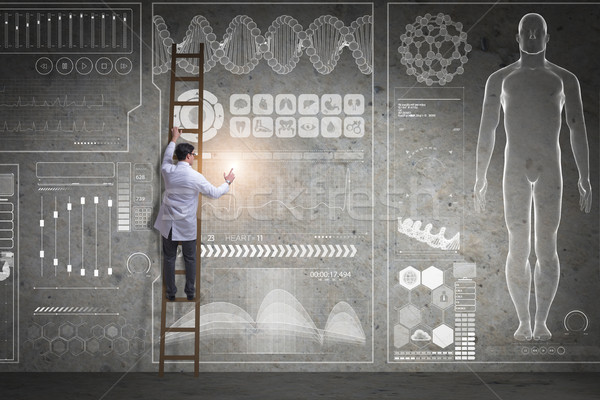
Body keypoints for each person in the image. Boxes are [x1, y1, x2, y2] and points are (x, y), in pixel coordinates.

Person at [474, 13, 591, 341]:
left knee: (547, 247)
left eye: (539, 31)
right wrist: (479, 177)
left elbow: (576, 127)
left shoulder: (564, 79)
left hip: (549, 166)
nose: (533, 36)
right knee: (517, 246)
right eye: (527, 31)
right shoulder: (501, 80)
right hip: (514, 168)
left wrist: (585, 176)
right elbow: (488, 128)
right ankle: (523, 321)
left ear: (547, 38)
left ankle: (541, 322)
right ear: (518, 37)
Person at [154, 127, 235, 301]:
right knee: (190, 259)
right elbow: (214, 192)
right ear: (189, 156)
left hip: (168, 223)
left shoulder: (167, 170)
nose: (194, 157)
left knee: (169, 258)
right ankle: (190, 291)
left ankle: (171, 292)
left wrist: (174, 138)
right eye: (193, 155)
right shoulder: (195, 177)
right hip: (186, 225)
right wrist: (227, 181)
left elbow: (167, 157)